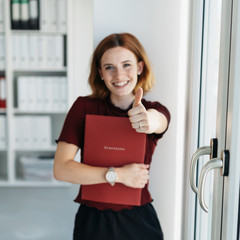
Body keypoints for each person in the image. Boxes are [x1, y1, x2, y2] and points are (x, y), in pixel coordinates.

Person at [54, 32, 171, 240]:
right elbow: (61, 170)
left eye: (127, 65)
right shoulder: (84, 108)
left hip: (139, 221)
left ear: (139, 67)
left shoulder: (154, 110)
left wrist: (149, 120)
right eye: (110, 67)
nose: (119, 75)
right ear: (100, 72)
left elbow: (159, 121)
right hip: (92, 222)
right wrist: (118, 175)